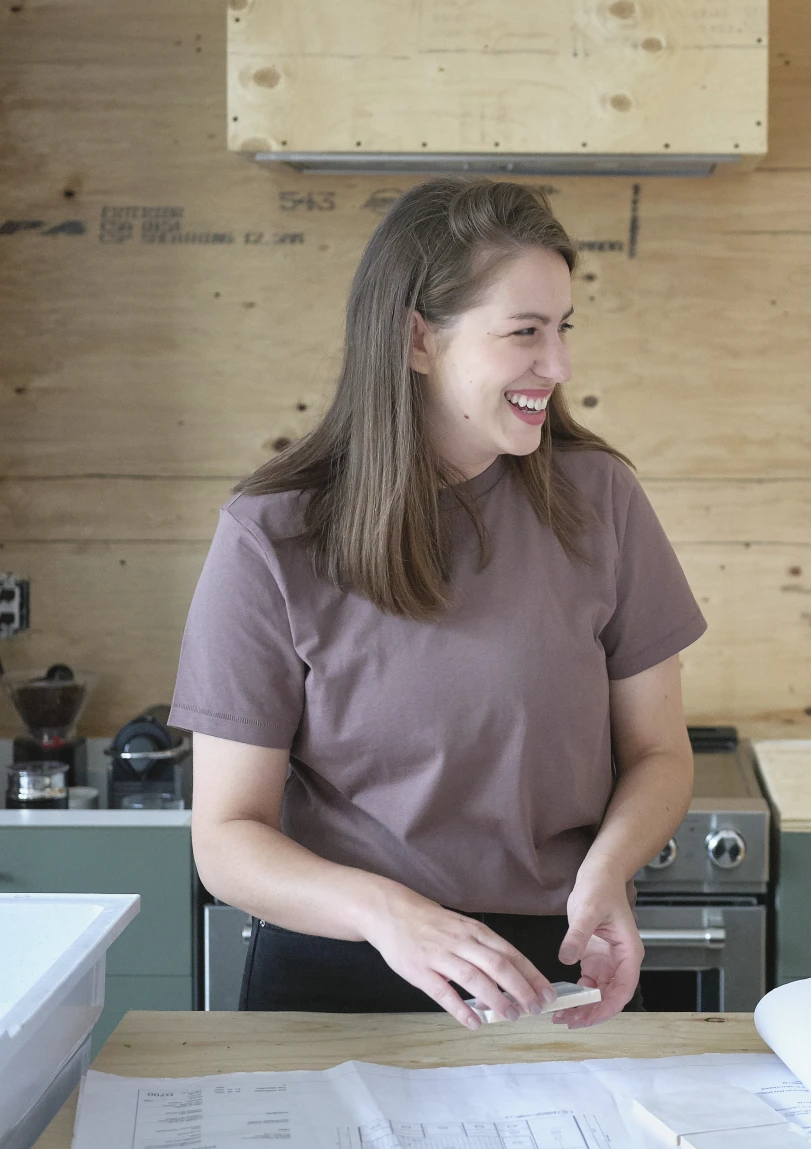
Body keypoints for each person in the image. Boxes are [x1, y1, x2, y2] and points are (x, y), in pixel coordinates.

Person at [172, 178, 704, 1031]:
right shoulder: (270, 535)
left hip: (553, 973)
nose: (559, 365)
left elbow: (659, 753)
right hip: (336, 984)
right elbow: (227, 836)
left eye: (563, 328)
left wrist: (607, 871)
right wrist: (389, 914)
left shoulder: (601, 499)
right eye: (525, 332)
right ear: (418, 339)